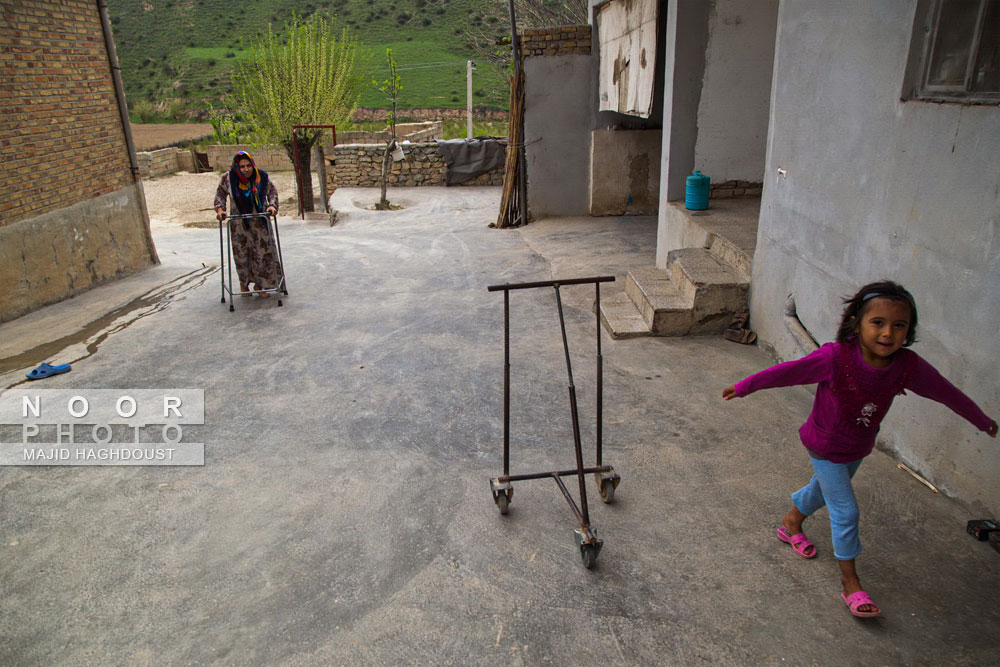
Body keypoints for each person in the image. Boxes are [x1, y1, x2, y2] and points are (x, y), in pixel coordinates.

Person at [722, 281, 997, 618]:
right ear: (856, 322)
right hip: (823, 444)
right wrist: (746, 385)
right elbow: (788, 372)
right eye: (877, 322)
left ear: (909, 331)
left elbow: (945, 392)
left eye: (899, 326)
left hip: (858, 446)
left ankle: (791, 522)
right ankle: (850, 582)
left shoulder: (907, 366)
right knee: (846, 511)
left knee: (822, 490)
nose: (887, 333)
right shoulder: (836, 357)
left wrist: (982, 420)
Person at [214, 151, 281, 298]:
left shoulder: (261, 177)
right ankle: (244, 284)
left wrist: (272, 206)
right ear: (237, 167)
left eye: (248, 166)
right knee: (242, 255)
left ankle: (261, 285)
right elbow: (220, 194)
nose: (246, 169)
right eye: (242, 166)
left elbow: (272, 192)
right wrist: (220, 210)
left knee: (263, 253)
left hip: (260, 222)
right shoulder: (228, 178)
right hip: (239, 224)